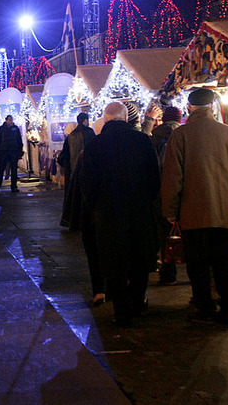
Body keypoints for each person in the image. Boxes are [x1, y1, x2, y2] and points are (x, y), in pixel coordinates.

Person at [160, 88, 228, 324]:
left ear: (190, 107)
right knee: (223, 261)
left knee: (198, 263)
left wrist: (170, 211)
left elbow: (173, 177)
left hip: (193, 213)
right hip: (224, 212)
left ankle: (204, 308)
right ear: (213, 106)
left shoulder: (181, 135)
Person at [78, 103, 161, 326]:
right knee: (139, 258)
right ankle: (136, 302)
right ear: (126, 119)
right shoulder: (143, 141)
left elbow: (87, 184)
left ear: (105, 120)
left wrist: (96, 207)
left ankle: (121, 310)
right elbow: (155, 178)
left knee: (113, 261)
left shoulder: (95, 146)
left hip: (107, 214)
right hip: (139, 211)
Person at [150, 105, 182, 285]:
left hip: (160, 191)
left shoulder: (154, 136)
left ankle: (169, 273)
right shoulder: (185, 134)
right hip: (184, 191)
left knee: (165, 235)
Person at [59, 112, 95, 230]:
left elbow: (63, 156)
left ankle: (72, 221)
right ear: (85, 120)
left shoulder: (71, 135)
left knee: (73, 198)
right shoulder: (89, 133)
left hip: (72, 172)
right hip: (87, 171)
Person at [0, 115, 24, 192]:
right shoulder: (2, 129)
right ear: (6, 120)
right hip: (4, 151)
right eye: (9, 120)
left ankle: (14, 186)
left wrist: (19, 151)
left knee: (14, 170)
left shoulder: (15, 128)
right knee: (1, 169)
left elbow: (19, 140)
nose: (10, 121)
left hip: (13, 151)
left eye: (11, 120)